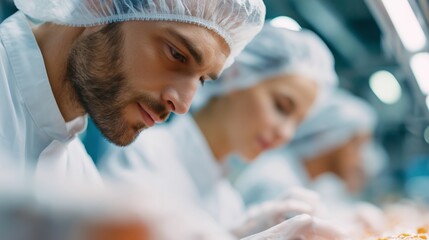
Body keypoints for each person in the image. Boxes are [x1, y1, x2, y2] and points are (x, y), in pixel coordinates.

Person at [100, 25, 346, 239]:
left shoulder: (227, 201)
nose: (286, 133)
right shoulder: (143, 154)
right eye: (281, 106)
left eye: (298, 122)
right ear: (237, 75)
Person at [0, 0, 265, 187]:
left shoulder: (75, 173)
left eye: (203, 80)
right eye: (176, 54)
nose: (183, 104)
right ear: (100, 4)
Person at [234, 89, 388, 237]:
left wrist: (352, 217)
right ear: (334, 138)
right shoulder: (275, 179)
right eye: (358, 145)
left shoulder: (311, 178)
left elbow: (322, 215)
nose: (362, 158)